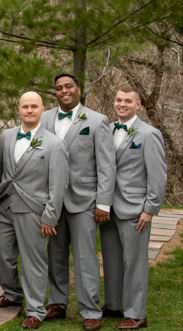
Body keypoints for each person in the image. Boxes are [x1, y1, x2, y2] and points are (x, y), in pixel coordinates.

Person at [41, 73, 116, 330]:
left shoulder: (97, 121)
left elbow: (106, 164)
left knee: (85, 258)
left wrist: (103, 202)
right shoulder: (45, 118)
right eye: (59, 87)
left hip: (84, 201)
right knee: (55, 255)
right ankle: (57, 302)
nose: (64, 91)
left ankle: (91, 311)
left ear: (78, 89)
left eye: (68, 86)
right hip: (52, 201)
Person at [0, 91, 68, 329]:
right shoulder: (6, 136)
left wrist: (50, 216)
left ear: (42, 109)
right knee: (3, 254)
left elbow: (58, 185)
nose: (29, 110)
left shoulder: (55, 143)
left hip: (33, 210)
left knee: (32, 261)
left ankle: (36, 309)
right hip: (5, 207)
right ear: (19, 109)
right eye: (25, 106)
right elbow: (0, 171)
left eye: (34, 106)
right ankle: (12, 294)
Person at [100, 86, 166, 330]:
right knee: (112, 260)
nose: (122, 104)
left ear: (137, 105)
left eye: (128, 101)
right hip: (107, 208)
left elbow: (158, 175)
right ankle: (114, 305)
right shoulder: (106, 130)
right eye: (118, 100)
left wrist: (150, 209)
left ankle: (137, 313)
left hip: (135, 209)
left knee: (135, 262)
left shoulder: (149, 134)